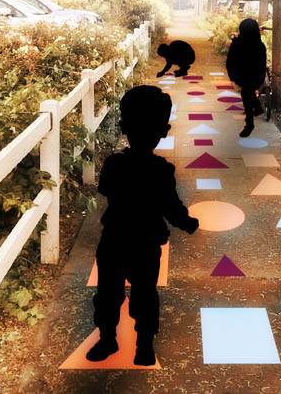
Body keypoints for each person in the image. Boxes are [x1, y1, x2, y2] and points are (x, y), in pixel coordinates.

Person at [86, 85, 199, 366]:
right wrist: (187, 222)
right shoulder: (162, 171)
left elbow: (106, 191)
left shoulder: (114, 165)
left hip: (114, 240)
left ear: (124, 126)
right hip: (147, 244)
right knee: (145, 295)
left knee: (108, 294)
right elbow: (170, 208)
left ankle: (107, 340)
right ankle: (144, 346)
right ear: (164, 130)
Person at [226, 18, 267, 137]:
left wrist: (232, 75)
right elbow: (262, 64)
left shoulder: (237, 44)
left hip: (242, 75)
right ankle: (257, 109)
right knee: (248, 92)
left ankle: (250, 123)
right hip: (256, 76)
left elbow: (230, 61)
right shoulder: (260, 46)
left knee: (246, 93)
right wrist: (260, 76)